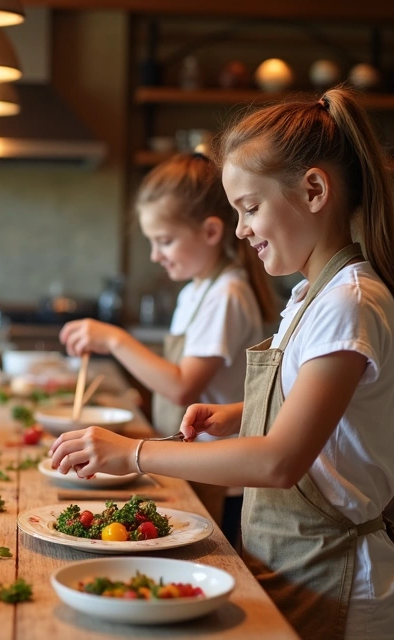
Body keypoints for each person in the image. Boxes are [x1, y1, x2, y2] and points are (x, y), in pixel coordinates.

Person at [49, 88, 394, 639]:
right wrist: (238, 412)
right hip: (300, 565)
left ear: (314, 190)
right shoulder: (310, 296)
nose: (242, 229)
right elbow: (318, 406)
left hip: (345, 586)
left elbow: (279, 463)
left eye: (250, 207)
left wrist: (133, 453)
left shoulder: (349, 302)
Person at [58, 152, 277, 543]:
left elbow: (181, 386)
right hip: (185, 463)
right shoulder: (196, 291)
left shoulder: (227, 294)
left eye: (165, 241)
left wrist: (114, 339)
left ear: (211, 232)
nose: (156, 255)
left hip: (217, 478)